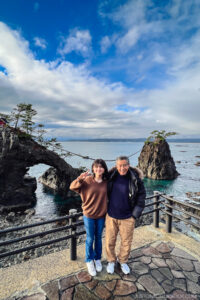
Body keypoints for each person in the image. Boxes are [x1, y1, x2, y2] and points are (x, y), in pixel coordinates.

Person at [106, 156, 146, 275]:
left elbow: (141, 197)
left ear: (128, 165)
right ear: (116, 166)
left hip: (128, 217)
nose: (122, 168)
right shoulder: (110, 177)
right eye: (120, 165)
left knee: (126, 242)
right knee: (109, 241)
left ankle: (123, 261)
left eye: (124, 165)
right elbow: (98, 184)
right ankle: (111, 261)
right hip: (111, 216)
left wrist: (134, 215)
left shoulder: (135, 179)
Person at [70, 159, 108, 277]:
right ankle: (89, 260)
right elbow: (72, 187)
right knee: (90, 238)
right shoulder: (87, 180)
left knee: (98, 238)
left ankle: (97, 258)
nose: (98, 169)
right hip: (89, 215)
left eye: (101, 167)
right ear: (93, 168)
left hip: (101, 215)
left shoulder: (107, 182)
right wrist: (80, 178)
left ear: (104, 169)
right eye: (96, 167)